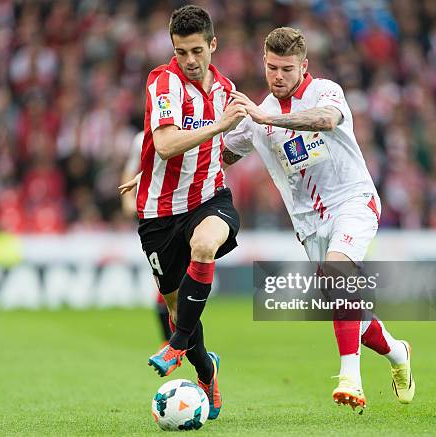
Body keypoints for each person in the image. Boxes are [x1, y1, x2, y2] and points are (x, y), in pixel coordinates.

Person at [221, 27, 415, 411]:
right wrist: (161, 165)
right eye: (272, 67)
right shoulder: (258, 114)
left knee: (338, 270)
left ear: (303, 66)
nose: (278, 76)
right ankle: (398, 353)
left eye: (287, 69)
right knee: (351, 313)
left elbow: (327, 120)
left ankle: (350, 379)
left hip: (353, 201)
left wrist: (266, 119)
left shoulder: (326, 91)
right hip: (309, 225)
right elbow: (223, 156)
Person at [126, 5, 247, 420]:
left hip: (210, 200)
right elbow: (165, 145)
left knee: (205, 243)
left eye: (197, 50)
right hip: (158, 213)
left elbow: (232, 145)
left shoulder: (227, 90)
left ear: (213, 44)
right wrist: (145, 169)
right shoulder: (163, 82)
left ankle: (175, 345)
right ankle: (207, 372)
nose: (191, 61)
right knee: (178, 307)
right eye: (182, 52)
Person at [121, 131, 172, 344]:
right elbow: (131, 170)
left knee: (178, 277)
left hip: (185, 210)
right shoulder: (141, 139)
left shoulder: (189, 127)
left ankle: (174, 341)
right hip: (154, 214)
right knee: (165, 279)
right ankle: (170, 341)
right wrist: (128, 202)